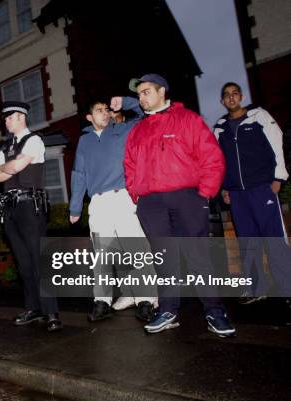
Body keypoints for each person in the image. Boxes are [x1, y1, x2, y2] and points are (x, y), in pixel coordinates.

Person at [124, 73, 236, 337]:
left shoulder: (188, 120)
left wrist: (204, 193)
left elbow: (212, 158)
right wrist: (137, 195)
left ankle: (214, 310)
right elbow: (129, 165)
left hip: (187, 197)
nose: (142, 97)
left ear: (162, 91)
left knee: (198, 255)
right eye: (139, 93)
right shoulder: (137, 130)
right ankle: (168, 310)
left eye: (146, 91)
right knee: (164, 259)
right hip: (151, 202)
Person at [69, 96, 158, 322]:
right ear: (90, 117)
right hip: (98, 203)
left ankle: (146, 300)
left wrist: (125, 102)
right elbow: (79, 174)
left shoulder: (122, 131)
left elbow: (142, 113)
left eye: (107, 109)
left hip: (121, 198)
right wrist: (75, 206)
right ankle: (102, 301)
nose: (105, 113)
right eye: (100, 110)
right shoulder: (84, 141)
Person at [214, 82, 290, 303]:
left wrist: (278, 178)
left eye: (234, 93)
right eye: (226, 95)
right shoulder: (220, 127)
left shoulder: (259, 117)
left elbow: (278, 144)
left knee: (274, 239)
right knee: (247, 242)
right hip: (237, 194)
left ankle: (286, 287)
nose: (231, 98)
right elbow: (218, 161)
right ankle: (257, 287)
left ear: (241, 96)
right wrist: (224, 187)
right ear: (222, 101)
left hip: (262, 189)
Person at [0, 101, 62, 332]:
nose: (6, 121)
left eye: (9, 117)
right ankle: (33, 308)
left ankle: (52, 312)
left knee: (38, 259)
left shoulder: (34, 140)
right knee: (23, 262)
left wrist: (6, 168)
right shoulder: (4, 147)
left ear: (21, 117)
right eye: (5, 118)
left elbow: (13, 169)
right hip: (10, 208)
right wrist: (6, 168)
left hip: (30, 205)